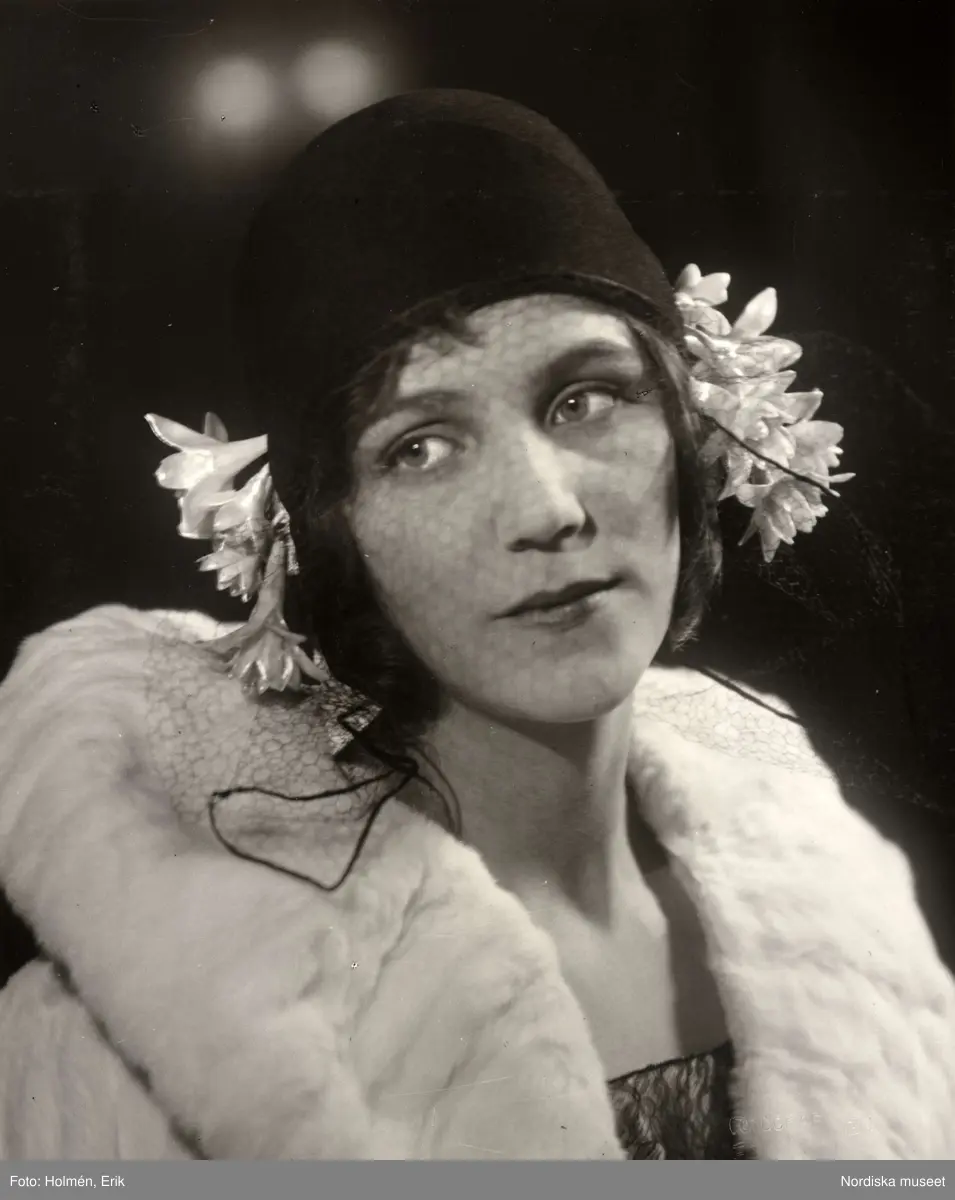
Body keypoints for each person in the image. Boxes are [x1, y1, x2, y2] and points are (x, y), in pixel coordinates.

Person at [0, 89, 952, 1162]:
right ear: (328, 531)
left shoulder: (847, 922)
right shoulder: (121, 1054)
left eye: (585, 399)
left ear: (691, 430)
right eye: (419, 447)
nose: (547, 510)